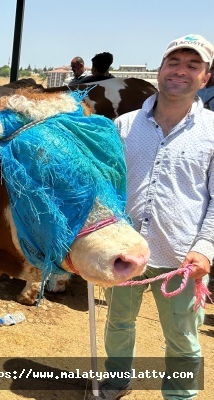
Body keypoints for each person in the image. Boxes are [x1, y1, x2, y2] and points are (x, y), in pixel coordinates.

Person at [90, 34, 214, 400]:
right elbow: (106, 187)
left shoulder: (213, 133)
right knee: (118, 323)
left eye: (193, 66)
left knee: (183, 336)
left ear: (205, 78)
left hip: (181, 256)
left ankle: (180, 395)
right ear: (160, 70)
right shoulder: (124, 126)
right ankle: (116, 381)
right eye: (174, 63)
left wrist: (206, 249)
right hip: (125, 250)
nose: (181, 71)